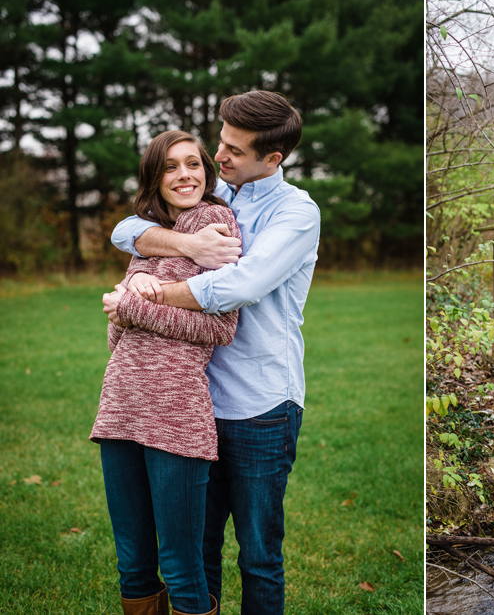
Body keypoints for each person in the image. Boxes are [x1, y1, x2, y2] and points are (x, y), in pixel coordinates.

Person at [106, 90, 321, 614]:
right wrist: (188, 245)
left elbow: (237, 288)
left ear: (273, 158)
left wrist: (144, 298)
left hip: (260, 404)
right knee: (198, 550)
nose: (217, 158)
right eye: (220, 143)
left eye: (233, 150)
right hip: (192, 403)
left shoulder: (296, 212)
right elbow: (126, 230)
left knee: (258, 555)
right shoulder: (215, 193)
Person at [91, 130, 242, 615]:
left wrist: (133, 308)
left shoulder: (216, 222)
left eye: (194, 164)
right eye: (171, 167)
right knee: (133, 561)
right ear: (154, 178)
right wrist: (127, 310)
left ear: (207, 170)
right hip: (119, 407)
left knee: (180, 563)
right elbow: (121, 329)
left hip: (176, 415)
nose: (185, 175)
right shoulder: (148, 235)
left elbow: (220, 326)